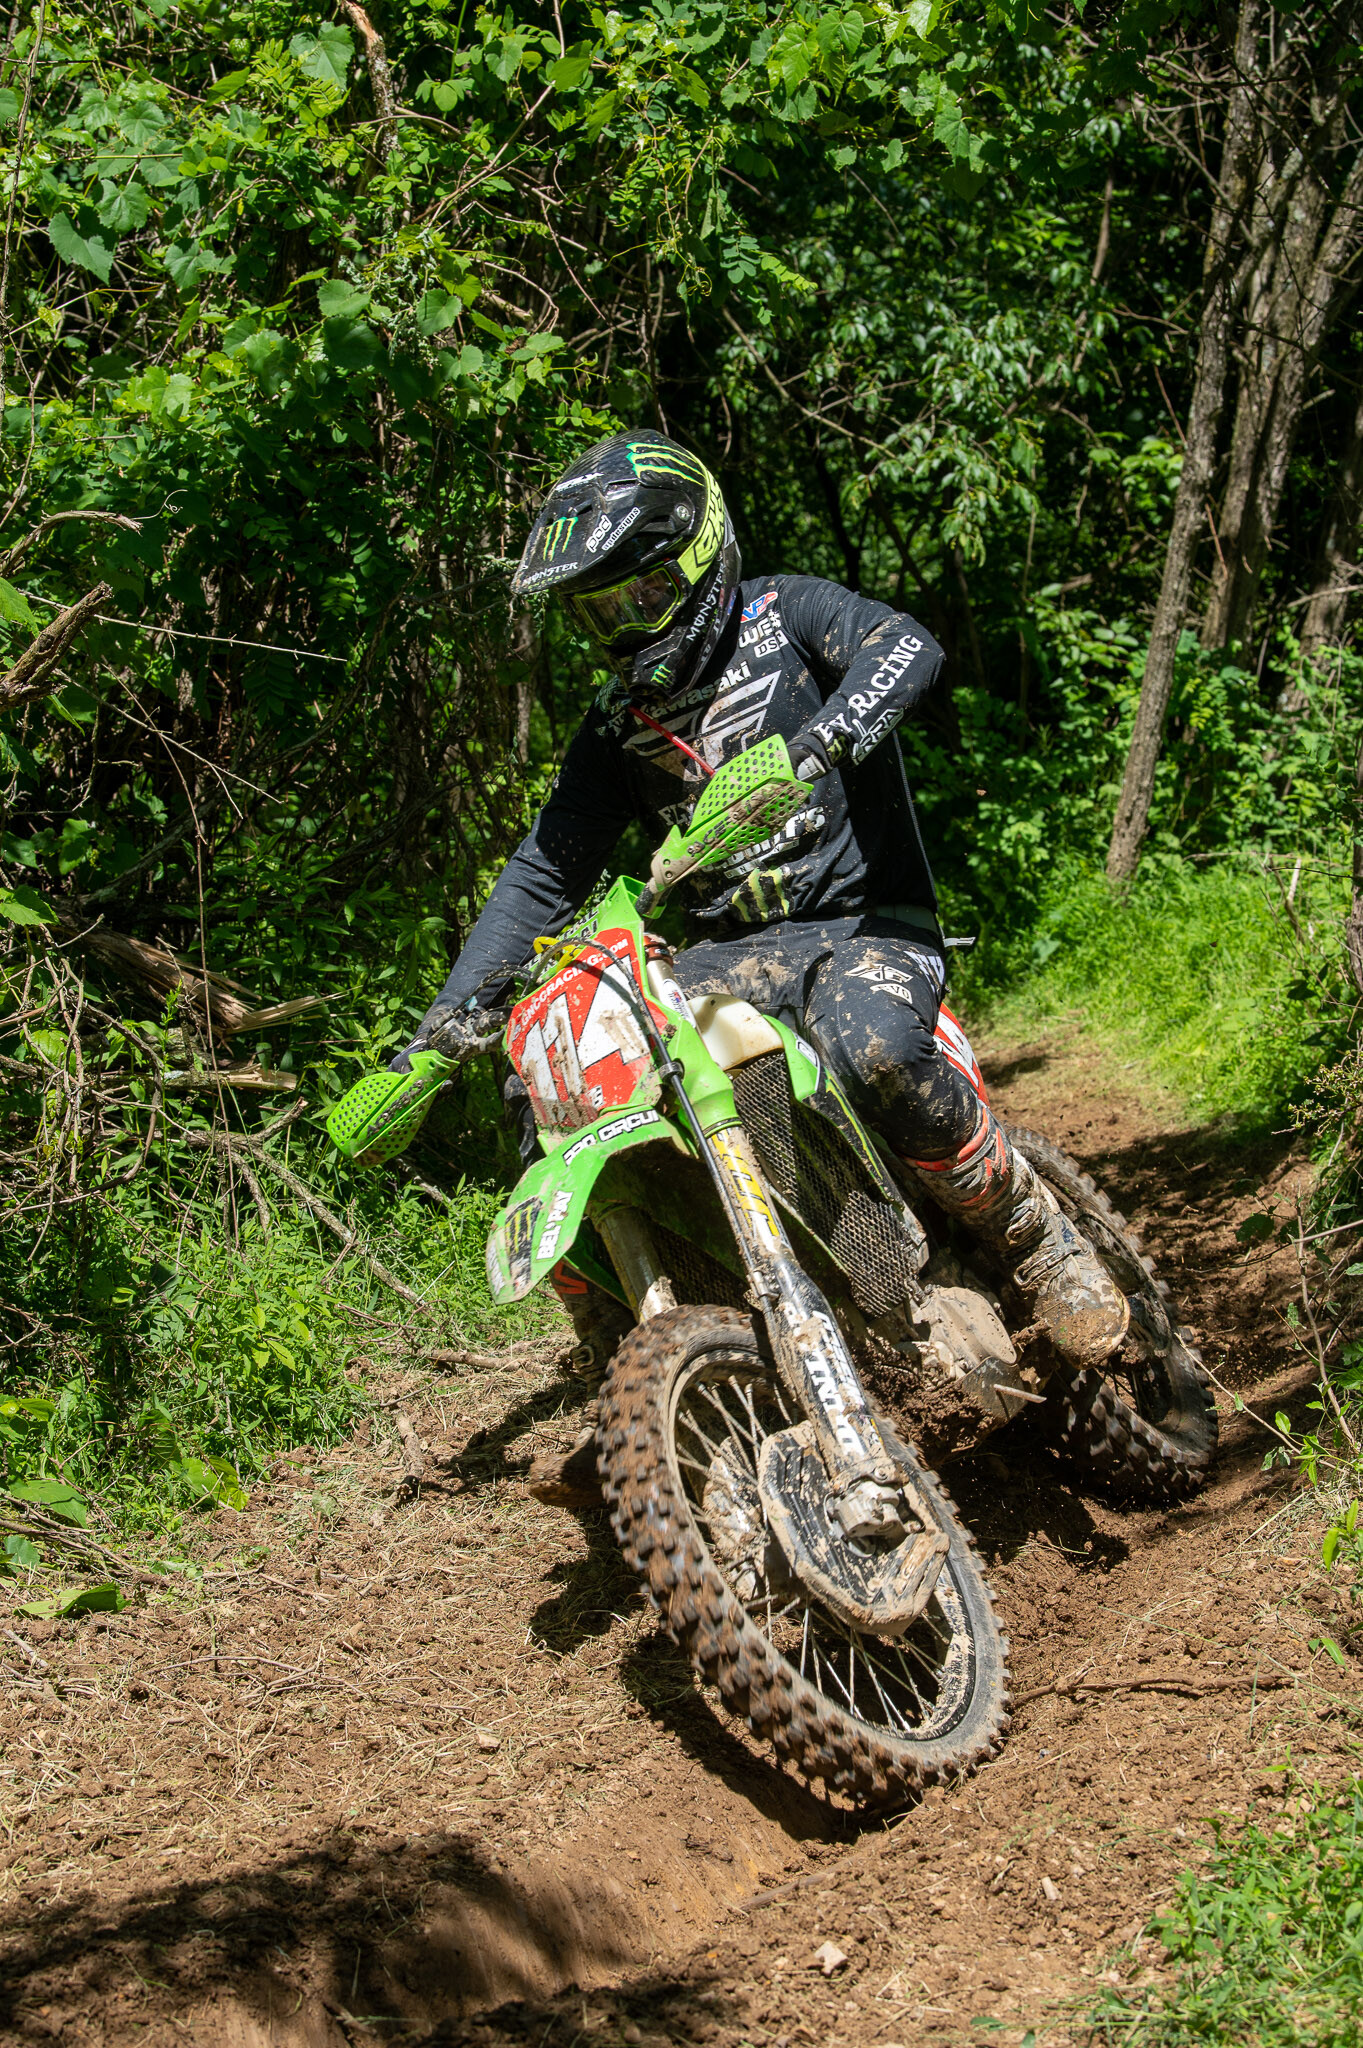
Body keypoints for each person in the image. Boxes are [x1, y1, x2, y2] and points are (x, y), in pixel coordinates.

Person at [394, 429, 1128, 1376]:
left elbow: (905, 646)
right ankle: (627, 1351)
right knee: (555, 1075)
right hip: (727, 956)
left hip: (865, 927)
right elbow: (545, 868)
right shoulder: (619, 722)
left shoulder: (783, 614)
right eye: (599, 612)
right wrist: (443, 1026)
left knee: (868, 1043)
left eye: (643, 594)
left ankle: (1038, 1241)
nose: (627, 625)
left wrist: (819, 743)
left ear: (697, 556)